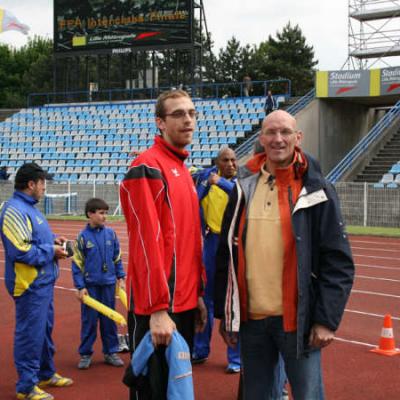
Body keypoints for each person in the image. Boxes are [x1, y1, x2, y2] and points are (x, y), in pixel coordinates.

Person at [215, 110, 355, 399]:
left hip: (298, 322)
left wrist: (326, 319)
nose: (278, 139)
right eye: (271, 133)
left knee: (308, 395)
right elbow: (225, 254)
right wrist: (227, 315)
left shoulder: (317, 189)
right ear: (262, 139)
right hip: (253, 322)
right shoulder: (243, 188)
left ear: (298, 137)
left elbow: (338, 261)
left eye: (285, 132)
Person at [120, 89, 207, 400]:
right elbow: (146, 244)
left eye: (192, 113)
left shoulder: (183, 170)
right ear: (160, 122)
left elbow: (189, 239)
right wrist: (157, 308)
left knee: (175, 390)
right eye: (179, 114)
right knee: (153, 393)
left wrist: (196, 292)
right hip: (157, 307)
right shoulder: (147, 167)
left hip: (182, 302)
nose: (188, 120)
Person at [0, 162, 73, 400]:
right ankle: (26, 387)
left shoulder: (31, 208)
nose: (45, 187)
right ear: (31, 184)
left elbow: (35, 237)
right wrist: (51, 251)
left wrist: (54, 239)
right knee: (30, 334)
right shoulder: (13, 210)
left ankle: (45, 373)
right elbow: (20, 250)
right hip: (29, 285)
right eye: (43, 183)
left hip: (43, 283)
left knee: (44, 331)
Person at [191, 147, 241, 373]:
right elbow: (180, 170)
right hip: (212, 244)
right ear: (217, 163)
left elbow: (240, 195)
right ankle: (200, 350)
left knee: (234, 302)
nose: (231, 164)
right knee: (206, 299)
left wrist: (218, 181)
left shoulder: (243, 182)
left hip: (234, 245)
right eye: (225, 160)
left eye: (233, 160)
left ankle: (236, 358)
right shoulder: (205, 179)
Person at [71, 197, 126, 370]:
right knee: (89, 321)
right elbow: (77, 264)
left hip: (109, 284)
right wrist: (80, 286)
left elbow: (117, 257)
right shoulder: (82, 237)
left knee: (109, 320)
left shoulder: (111, 234)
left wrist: (121, 277)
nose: (105, 217)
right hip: (91, 287)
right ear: (90, 214)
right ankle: (86, 353)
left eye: (106, 213)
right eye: (101, 213)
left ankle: (111, 352)